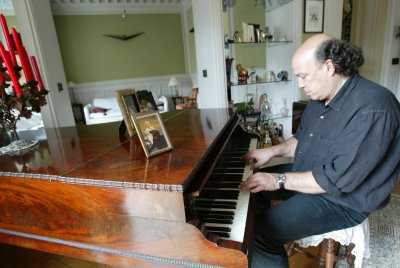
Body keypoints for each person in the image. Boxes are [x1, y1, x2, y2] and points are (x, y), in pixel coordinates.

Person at [240, 33, 400, 267]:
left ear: (329, 67)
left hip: (343, 200)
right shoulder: (321, 98)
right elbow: (303, 139)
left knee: (259, 234)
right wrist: (271, 152)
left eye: (303, 76)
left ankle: (264, 241)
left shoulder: (374, 108)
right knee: (254, 187)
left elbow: (336, 180)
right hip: (315, 172)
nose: (300, 84)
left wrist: (278, 179)